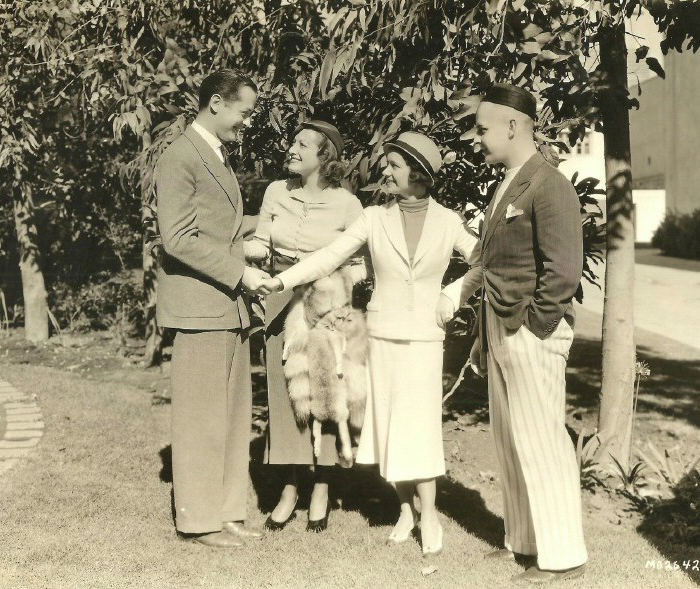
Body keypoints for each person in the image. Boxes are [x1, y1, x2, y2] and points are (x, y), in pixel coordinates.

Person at [261, 132, 478, 557]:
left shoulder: (449, 221)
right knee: (388, 423)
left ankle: (429, 513)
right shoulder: (375, 217)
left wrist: (453, 295)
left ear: (418, 172)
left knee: (422, 423)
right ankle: (404, 509)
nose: (386, 171)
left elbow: (483, 261)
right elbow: (331, 255)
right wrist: (283, 279)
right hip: (381, 331)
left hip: (426, 336)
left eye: (395, 164)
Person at [442, 83, 588, 582]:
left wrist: (535, 328)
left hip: (531, 332)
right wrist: (488, 335)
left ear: (512, 126)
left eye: (482, 129)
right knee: (510, 441)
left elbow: (564, 270)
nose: (476, 139)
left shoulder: (549, 184)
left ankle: (562, 557)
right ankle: (523, 544)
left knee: (543, 439)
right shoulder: (507, 183)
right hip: (501, 329)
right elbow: (491, 265)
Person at [155, 69, 269, 548]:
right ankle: (199, 520)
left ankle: (226, 512)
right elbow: (177, 238)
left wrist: (263, 229)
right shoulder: (180, 155)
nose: (246, 123)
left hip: (226, 308)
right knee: (202, 417)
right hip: (201, 308)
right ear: (217, 103)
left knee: (231, 416)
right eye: (243, 113)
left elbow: (216, 226)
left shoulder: (214, 155)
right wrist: (241, 272)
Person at [244, 120, 366, 533]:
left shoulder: (347, 204)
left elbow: (363, 262)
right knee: (284, 395)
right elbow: (262, 242)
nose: (291, 149)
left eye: (302, 144)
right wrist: (237, 252)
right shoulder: (277, 191)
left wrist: (336, 290)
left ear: (324, 156)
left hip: (326, 306)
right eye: (293, 142)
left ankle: (323, 485)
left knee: (324, 390)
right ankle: (292, 485)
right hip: (278, 300)